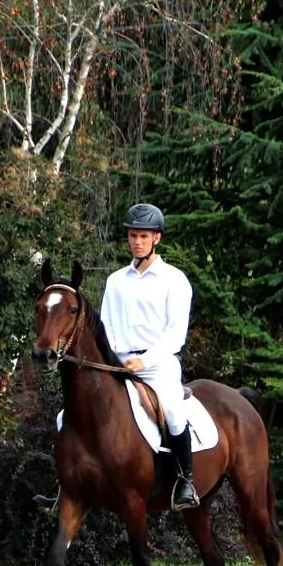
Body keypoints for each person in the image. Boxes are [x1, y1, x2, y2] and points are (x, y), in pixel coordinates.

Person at [100, 203, 199, 510]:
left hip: (158, 365)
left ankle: (185, 481)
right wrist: (115, 360)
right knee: (69, 414)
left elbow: (175, 334)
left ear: (156, 238)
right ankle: (65, 485)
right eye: (132, 236)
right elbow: (106, 326)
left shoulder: (174, 280)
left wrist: (144, 361)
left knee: (171, 409)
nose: (137, 241)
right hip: (119, 363)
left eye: (143, 236)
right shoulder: (115, 281)